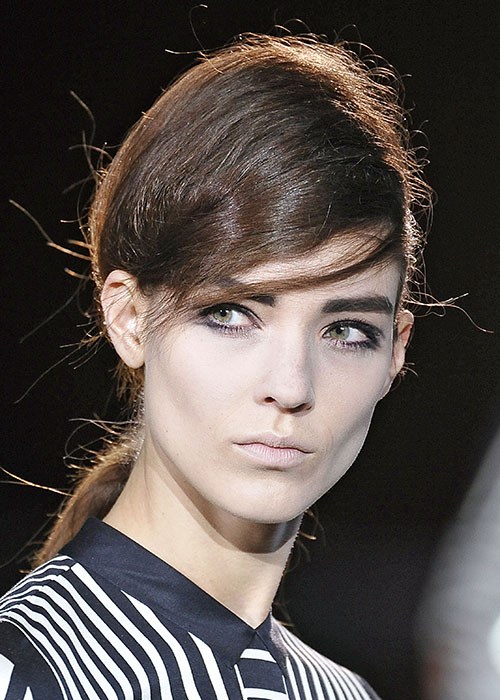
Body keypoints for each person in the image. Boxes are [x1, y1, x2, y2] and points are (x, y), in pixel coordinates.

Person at [0, 34, 428, 699]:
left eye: (346, 330)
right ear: (129, 318)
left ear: (396, 350)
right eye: (230, 314)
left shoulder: (343, 693)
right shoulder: (25, 671)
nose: (291, 386)